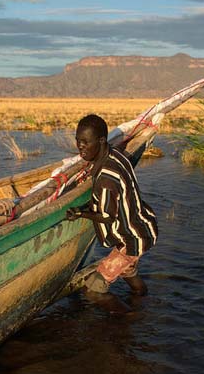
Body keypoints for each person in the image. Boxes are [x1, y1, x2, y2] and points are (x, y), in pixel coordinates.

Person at [66, 114, 158, 311]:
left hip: (130, 239)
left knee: (93, 291)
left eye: (85, 142)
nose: (80, 146)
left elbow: (107, 216)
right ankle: (142, 299)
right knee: (127, 271)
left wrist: (81, 213)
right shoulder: (115, 155)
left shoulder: (107, 179)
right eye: (78, 141)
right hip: (142, 227)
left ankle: (127, 318)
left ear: (100, 141)